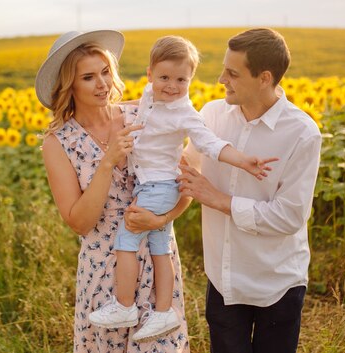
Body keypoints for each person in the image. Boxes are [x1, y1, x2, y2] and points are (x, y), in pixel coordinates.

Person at [125, 28, 322, 353]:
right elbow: (183, 177)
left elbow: (289, 218)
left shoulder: (302, 134)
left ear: (264, 78)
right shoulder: (211, 115)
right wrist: (159, 218)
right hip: (223, 278)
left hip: (276, 282)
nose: (220, 79)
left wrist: (219, 200)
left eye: (232, 73)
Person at [88, 35, 277, 343]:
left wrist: (242, 161)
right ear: (149, 75)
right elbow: (130, 107)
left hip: (158, 186)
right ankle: (163, 311)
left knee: (126, 239)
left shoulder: (184, 112)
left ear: (191, 80)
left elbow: (209, 143)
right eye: (164, 77)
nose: (172, 86)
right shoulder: (151, 95)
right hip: (155, 186)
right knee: (160, 250)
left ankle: (124, 306)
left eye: (181, 80)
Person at [36, 30, 190, 353]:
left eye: (106, 72)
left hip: (156, 264)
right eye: (89, 77)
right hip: (103, 273)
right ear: (70, 86)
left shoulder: (143, 115)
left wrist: (160, 218)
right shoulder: (58, 143)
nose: (103, 84)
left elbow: (185, 183)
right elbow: (79, 222)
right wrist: (108, 163)